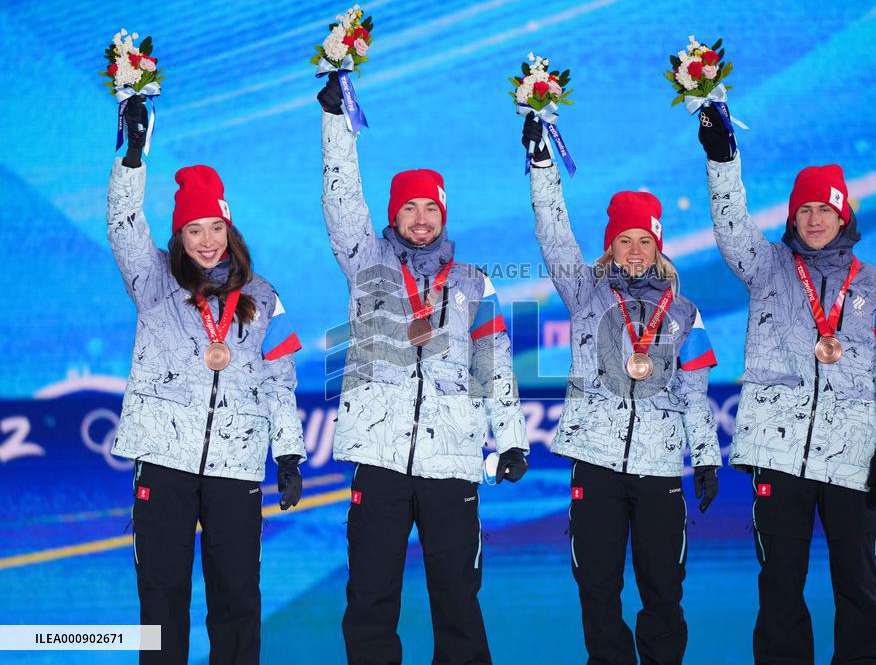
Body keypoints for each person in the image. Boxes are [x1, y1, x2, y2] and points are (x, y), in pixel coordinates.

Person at [317, 75, 529, 664]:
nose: (419, 217)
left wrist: (511, 440)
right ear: (393, 213)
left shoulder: (473, 282)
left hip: (453, 460)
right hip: (380, 458)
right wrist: (337, 123)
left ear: (442, 213)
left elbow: (495, 363)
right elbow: (342, 203)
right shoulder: (366, 261)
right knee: (370, 598)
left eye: (428, 206)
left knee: (458, 598)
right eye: (407, 206)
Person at [697, 103, 876, 664]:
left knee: (858, 588)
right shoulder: (766, 267)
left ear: (844, 217)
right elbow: (730, 224)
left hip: (853, 460)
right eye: (805, 210)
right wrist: (722, 158)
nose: (815, 219)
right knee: (779, 590)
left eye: (826, 209)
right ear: (792, 217)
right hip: (778, 456)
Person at [107, 95, 306, 664]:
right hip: (163, 461)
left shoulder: (264, 296)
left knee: (238, 598)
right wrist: (133, 156)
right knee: (161, 598)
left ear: (229, 227)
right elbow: (122, 223)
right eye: (193, 229)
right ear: (178, 237)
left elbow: (279, 381)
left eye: (215, 226)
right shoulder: (151, 281)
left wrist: (288, 456)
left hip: (236, 465)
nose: (207, 240)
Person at [522, 114, 722, 664]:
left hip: (660, 467)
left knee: (664, 592)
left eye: (644, 241)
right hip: (595, 462)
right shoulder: (584, 292)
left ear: (659, 248)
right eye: (624, 240)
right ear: (609, 247)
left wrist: (704, 459)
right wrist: (542, 164)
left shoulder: (684, 312)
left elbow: (695, 393)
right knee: (598, 591)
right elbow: (553, 230)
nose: (635, 251)